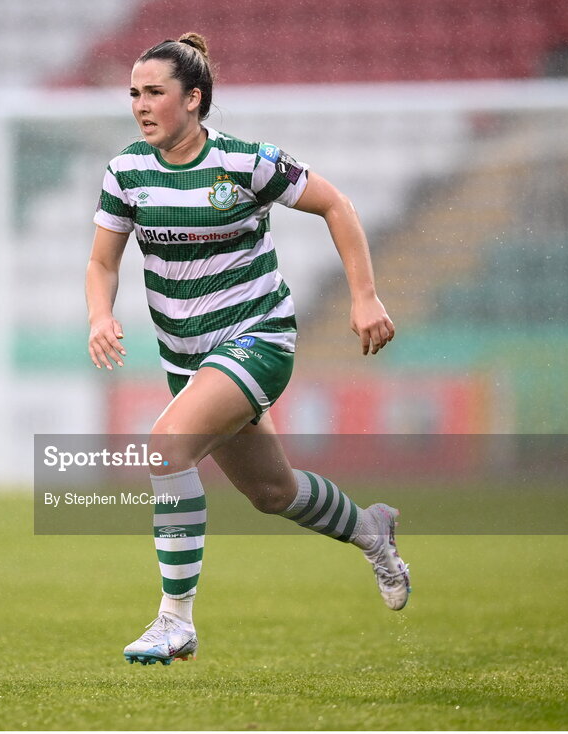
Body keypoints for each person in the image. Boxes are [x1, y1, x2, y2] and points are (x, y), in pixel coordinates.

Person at [85, 32, 410, 666]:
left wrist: (364, 296)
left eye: (155, 92)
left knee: (166, 444)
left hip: (258, 338)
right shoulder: (126, 171)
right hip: (190, 361)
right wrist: (100, 313)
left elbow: (335, 204)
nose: (140, 105)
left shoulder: (246, 163)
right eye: (134, 93)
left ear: (194, 99)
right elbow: (102, 261)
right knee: (273, 493)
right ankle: (372, 530)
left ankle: (174, 620)